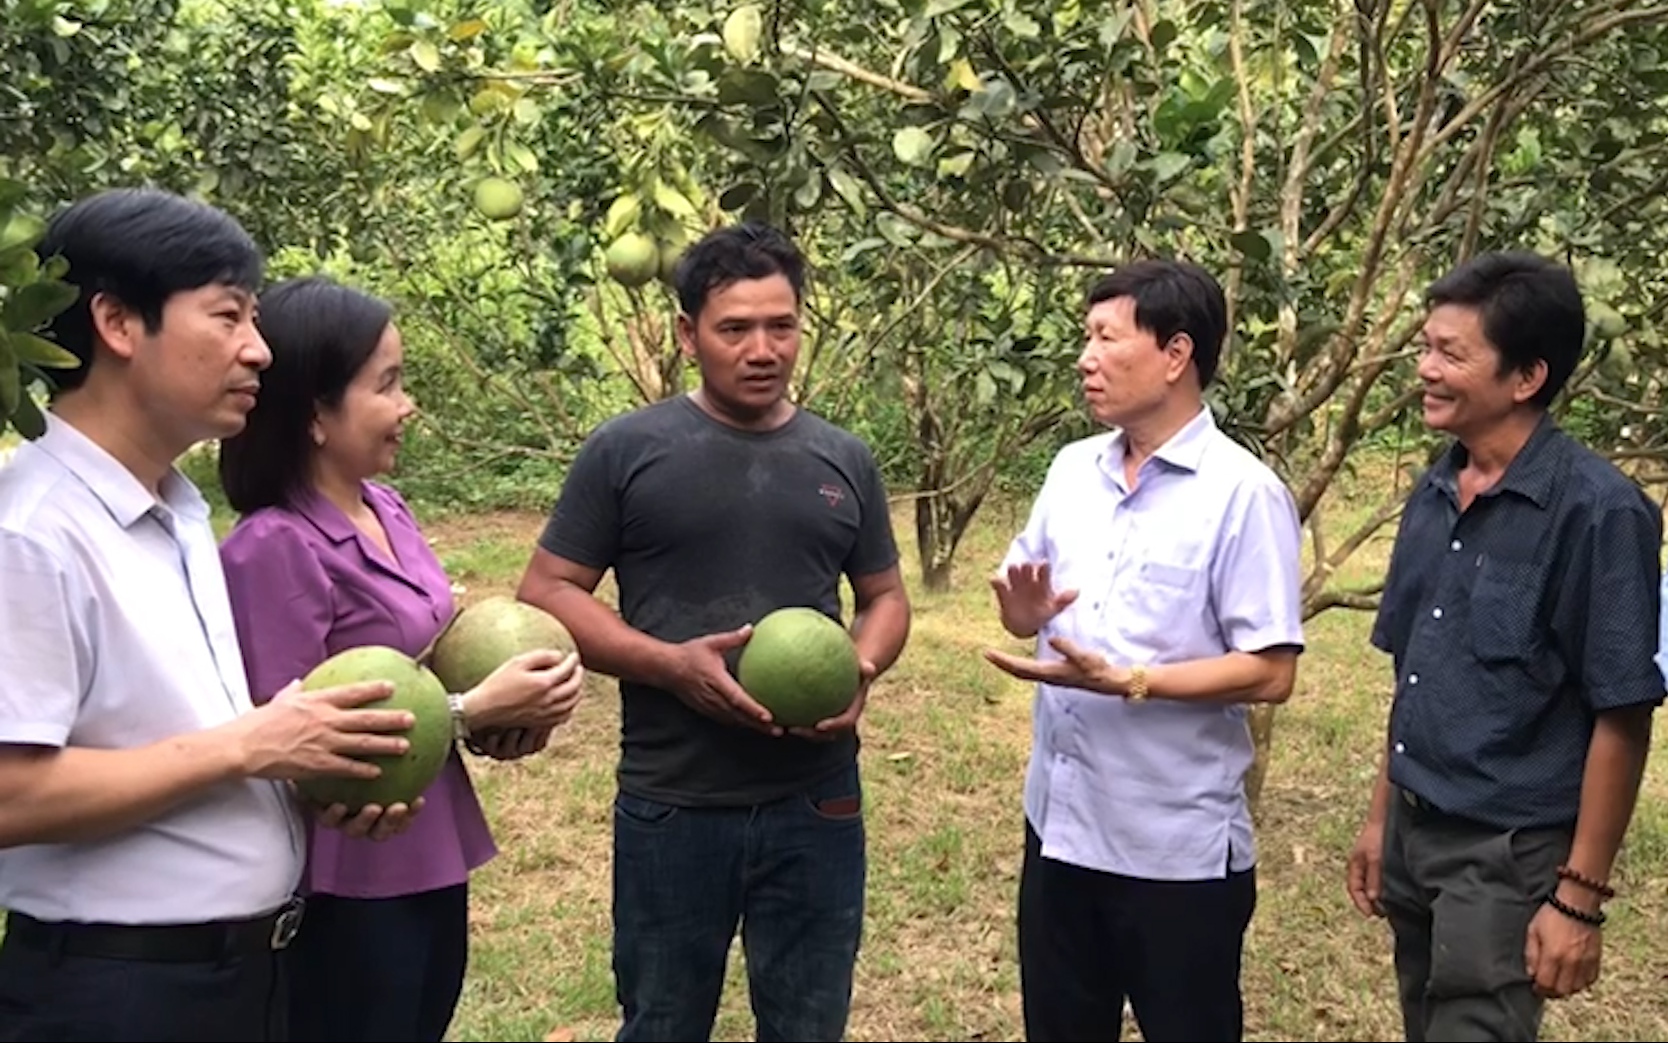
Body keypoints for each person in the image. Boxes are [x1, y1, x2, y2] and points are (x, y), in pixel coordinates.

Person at [0, 187, 422, 1043]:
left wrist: (311, 772)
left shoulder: (178, 512)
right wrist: (253, 744)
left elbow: (169, 737)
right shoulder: (33, 533)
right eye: (228, 316)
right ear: (119, 323)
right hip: (117, 992)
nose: (258, 350)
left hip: (240, 975)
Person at [516, 221, 912, 1042]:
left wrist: (862, 668)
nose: (763, 348)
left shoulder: (843, 457)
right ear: (688, 333)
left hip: (818, 800)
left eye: (782, 325)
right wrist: (669, 665)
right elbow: (549, 590)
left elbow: (885, 596)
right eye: (735, 328)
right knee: (661, 1020)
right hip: (674, 799)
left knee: (809, 1021)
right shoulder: (628, 450)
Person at [215, 274, 588, 1043]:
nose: (406, 404)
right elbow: (286, 734)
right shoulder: (273, 547)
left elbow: (433, 651)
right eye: (386, 384)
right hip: (346, 875)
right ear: (317, 411)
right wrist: (470, 710)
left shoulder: (386, 507)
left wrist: (507, 710)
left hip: (430, 847)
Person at [984, 259, 1306, 1042]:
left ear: (1175, 355)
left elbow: (1271, 669)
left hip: (1174, 848)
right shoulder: (1071, 471)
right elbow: (1026, 598)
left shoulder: (1242, 493)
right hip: (1059, 827)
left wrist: (1133, 680)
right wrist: (1021, 611)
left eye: (1105, 337)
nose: (1085, 358)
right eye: (1084, 337)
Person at [1345, 251, 1662, 1041]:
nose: (1425, 368)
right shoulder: (1434, 489)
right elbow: (1411, 671)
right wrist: (1383, 818)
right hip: (1417, 831)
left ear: (1526, 377)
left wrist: (1577, 895)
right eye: (1425, 347)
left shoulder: (1600, 513)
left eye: (1450, 354)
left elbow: (1622, 712)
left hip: (1505, 852)